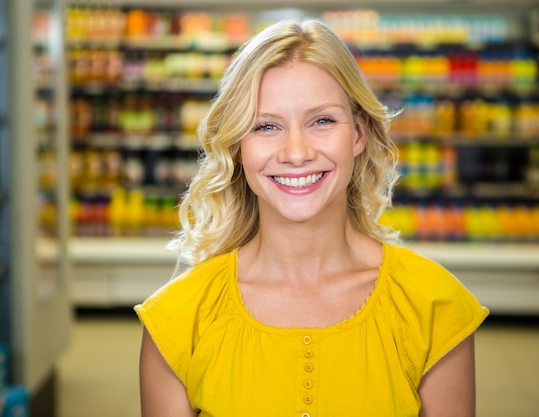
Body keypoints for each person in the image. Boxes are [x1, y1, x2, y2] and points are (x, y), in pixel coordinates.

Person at [135, 19, 489, 417]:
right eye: (266, 126)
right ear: (237, 147)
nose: (296, 152)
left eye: (321, 121)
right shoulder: (177, 318)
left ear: (358, 135)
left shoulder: (435, 306)